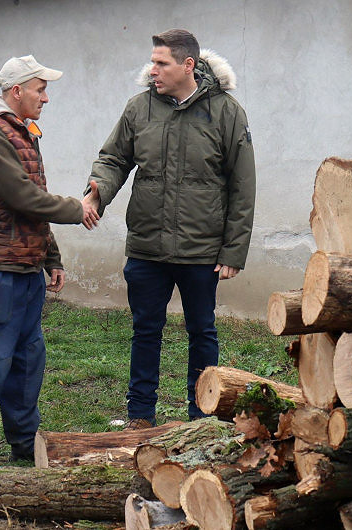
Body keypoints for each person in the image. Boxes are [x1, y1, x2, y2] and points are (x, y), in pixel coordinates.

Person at [83, 29, 256, 428]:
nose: (153, 69)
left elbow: (243, 186)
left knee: (202, 332)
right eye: (153, 61)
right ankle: (140, 416)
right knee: (146, 331)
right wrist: (98, 191)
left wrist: (233, 251)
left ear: (188, 65)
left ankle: (202, 417)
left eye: (162, 63)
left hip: (201, 251)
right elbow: (113, 159)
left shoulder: (227, 112)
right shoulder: (138, 109)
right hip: (147, 248)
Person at [0, 55, 99, 480]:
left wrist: (50, 257)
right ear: (16, 92)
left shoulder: (22, 133)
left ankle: (22, 441)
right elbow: (21, 196)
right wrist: (78, 208)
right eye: (39, 90)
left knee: (27, 359)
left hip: (26, 267)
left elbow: (34, 199)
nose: (45, 98)